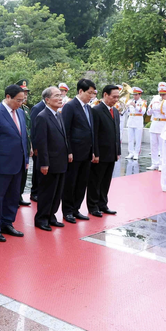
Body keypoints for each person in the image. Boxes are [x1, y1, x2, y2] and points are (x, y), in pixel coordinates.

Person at [0, 84, 29, 242]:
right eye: (18, 100)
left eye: (22, 100)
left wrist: (26, 160)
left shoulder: (21, 113)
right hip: (1, 164)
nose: (20, 103)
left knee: (13, 196)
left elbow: (23, 137)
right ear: (8, 97)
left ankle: (7, 223)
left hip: (18, 163)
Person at [33, 87, 71, 231]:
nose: (60, 98)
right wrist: (44, 163)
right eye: (56, 96)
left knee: (57, 192)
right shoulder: (42, 116)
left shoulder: (58, 115)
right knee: (47, 192)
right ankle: (41, 218)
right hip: (49, 163)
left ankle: (51, 216)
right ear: (47, 100)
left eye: (61, 95)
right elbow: (41, 142)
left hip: (60, 161)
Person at [61, 78, 96, 224]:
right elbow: (65, 131)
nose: (91, 96)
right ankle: (67, 211)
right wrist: (68, 150)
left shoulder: (88, 108)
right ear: (80, 91)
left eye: (93, 93)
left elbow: (91, 131)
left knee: (82, 183)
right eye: (89, 93)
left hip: (87, 152)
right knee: (71, 182)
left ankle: (76, 209)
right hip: (74, 152)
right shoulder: (70, 106)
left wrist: (93, 150)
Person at [88, 85, 121, 216]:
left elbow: (117, 133)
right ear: (105, 95)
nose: (116, 99)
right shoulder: (96, 110)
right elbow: (94, 134)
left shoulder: (116, 111)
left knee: (106, 180)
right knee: (95, 180)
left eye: (118, 97)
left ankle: (103, 204)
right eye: (114, 97)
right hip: (100, 153)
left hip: (111, 152)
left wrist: (117, 151)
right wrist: (95, 152)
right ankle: (93, 206)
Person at [16, 79, 32, 207]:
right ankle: (14, 196)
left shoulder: (25, 109)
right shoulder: (15, 110)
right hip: (17, 145)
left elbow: (28, 129)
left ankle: (20, 194)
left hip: (26, 144)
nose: (25, 95)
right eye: (23, 92)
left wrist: (30, 145)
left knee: (24, 172)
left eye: (26, 92)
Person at [147, 83, 166, 171]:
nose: (162, 96)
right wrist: (152, 106)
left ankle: (161, 164)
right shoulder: (155, 100)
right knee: (153, 146)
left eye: (164, 94)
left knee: (162, 147)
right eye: (161, 94)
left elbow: (164, 112)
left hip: (163, 125)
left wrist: (157, 105)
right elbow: (148, 113)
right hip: (154, 124)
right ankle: (154, 163)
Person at [29, 92, 46, 203]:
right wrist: (34, 146)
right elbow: (33, 128)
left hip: (47, 146)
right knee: (37, 169)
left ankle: (42, 192)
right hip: (38, 146)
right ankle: (34, 192)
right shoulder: (37, 107)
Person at [125, 87, 146, 160]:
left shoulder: (143, 102)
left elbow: (143, 111)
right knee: (130, 138)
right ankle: (130, 152)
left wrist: (135, 106)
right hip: (131, 120)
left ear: (140, 95)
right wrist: (126, 107)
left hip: (138, 121)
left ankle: (136, 153)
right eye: (133, 95)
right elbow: (126, 112)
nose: (134, 96)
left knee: (138, 138)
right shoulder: (130, 101)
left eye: (136, 95)